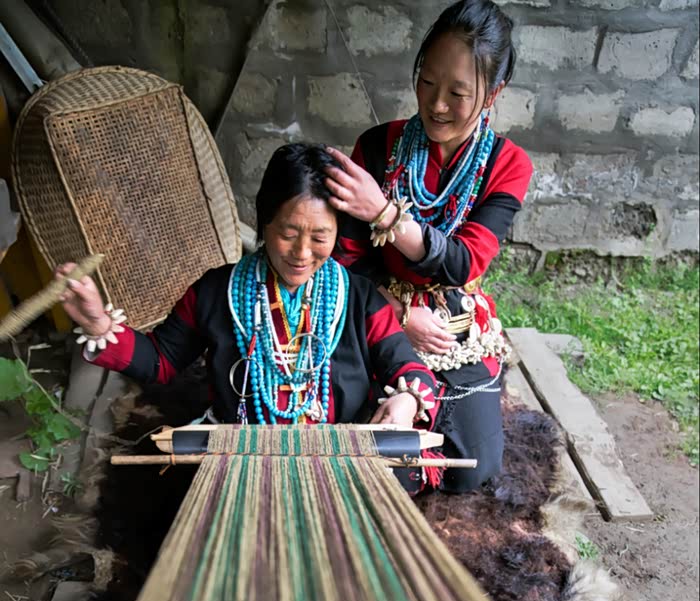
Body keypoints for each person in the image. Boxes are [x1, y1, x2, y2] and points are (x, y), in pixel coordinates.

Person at [57, 143, 439, 439]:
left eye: (320, 237)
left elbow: (409, 368)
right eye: (288, 234)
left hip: (337, 455)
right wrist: (99, 324)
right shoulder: (215, 292)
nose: (302, 254)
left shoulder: (360, 299)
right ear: (264, 222)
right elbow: (160, 361)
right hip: (242, 452)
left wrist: (407, 399)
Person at [325, 0, 533, 492]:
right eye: (428, 83)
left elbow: (463, 261)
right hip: (377, 313)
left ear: (493, 92)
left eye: (458, 92)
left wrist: (385, 214)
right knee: (361, 437)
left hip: (455, 327)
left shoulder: (508, 164)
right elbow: (347, 260)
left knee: (471, 470)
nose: (437, 104)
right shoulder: (377, 147)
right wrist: (397, 316)